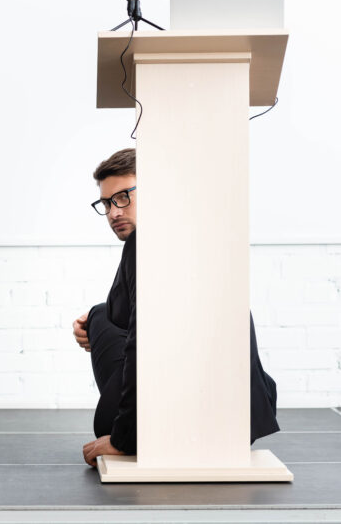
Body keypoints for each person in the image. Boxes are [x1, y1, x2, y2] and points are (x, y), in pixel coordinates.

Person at [72, 147, 280, 467]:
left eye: (124, 197)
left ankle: (146, 427)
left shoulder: (144, 243)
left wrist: (124, 437)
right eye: (107, 203)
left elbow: (141, 342)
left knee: (101, 314)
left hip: (168, 423)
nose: (114, 212)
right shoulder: (205, 236)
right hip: (239, 424)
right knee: (104, 315)